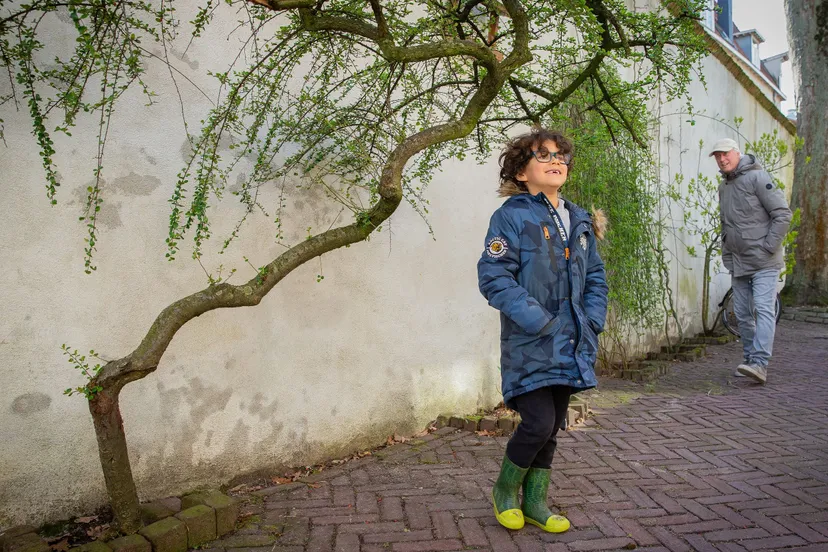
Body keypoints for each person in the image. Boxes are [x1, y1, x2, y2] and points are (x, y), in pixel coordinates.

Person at [477, 128, 608, 532]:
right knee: (536, 422)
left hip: (572, 342)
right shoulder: (511, 217)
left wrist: (591, 320)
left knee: (552, 425)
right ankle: (504, 491)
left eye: (561, 156)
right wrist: (539, 320)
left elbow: (596, 279)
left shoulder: (580, 219)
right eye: (543, 155)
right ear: (520, 172)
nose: (556, 161)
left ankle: (535, 502)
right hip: (530, 341)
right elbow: (494, 277)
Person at [712, 138, 792, 384]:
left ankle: (760, 363)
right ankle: (749, 361)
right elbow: (727, 223)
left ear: (737, 152)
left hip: (764, 262)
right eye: (717, 156)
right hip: (738, 262)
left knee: (764, 309)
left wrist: (768, 246)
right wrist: (727, 253)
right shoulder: (724, 187)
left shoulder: (758, 178)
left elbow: (782, 214)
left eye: (725, 154)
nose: (722, 159)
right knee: (743, 314)